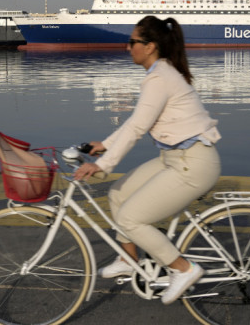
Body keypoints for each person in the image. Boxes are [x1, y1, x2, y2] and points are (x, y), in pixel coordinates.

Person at [74, 16, 221, 305]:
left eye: (132, 42)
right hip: (175, 158)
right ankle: (128, 259)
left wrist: (102, 164)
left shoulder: (159, 78)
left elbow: (138, 129)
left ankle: (184, 269)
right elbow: (135, 122)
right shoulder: (160, 73)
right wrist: (104, 145)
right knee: (117, 194)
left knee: (131, 218)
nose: (127, 47)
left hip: (194, 164)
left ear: (150, 46)